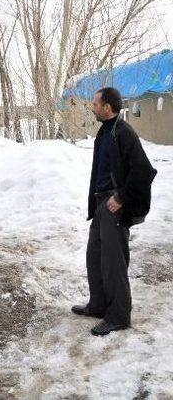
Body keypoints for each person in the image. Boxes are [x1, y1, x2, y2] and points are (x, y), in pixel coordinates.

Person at [71, 87, 157, 336]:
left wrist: (121, 197)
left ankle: (119, 316)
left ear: (108, 107)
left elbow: (143, 171)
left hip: (114, 207)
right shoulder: (105, 131)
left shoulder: (123, 132)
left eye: (96, 103)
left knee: (113, 263)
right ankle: (98, 305)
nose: (92, 106)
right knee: (94, 257)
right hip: (101, 205)